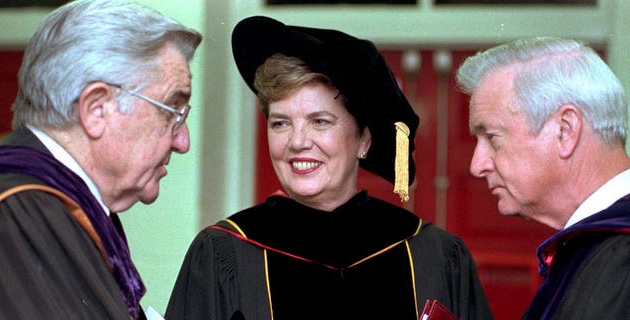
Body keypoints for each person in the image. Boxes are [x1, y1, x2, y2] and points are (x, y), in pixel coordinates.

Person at [165, 15, 492, 320]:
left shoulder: (433, 254)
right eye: (280, 123)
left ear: (363, 140)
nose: (297, 142)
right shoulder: (225, 253)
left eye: (320, 122)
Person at [0, 0, 201, 319]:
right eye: (172, 111)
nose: (183, 141)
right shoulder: (18, 213)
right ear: (96, 109)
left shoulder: (56, 210)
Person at [456, 37, 630, 319]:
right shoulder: (589, 248)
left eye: (492, 137)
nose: (477, 165)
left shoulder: (620, 258)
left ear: (565, 131)